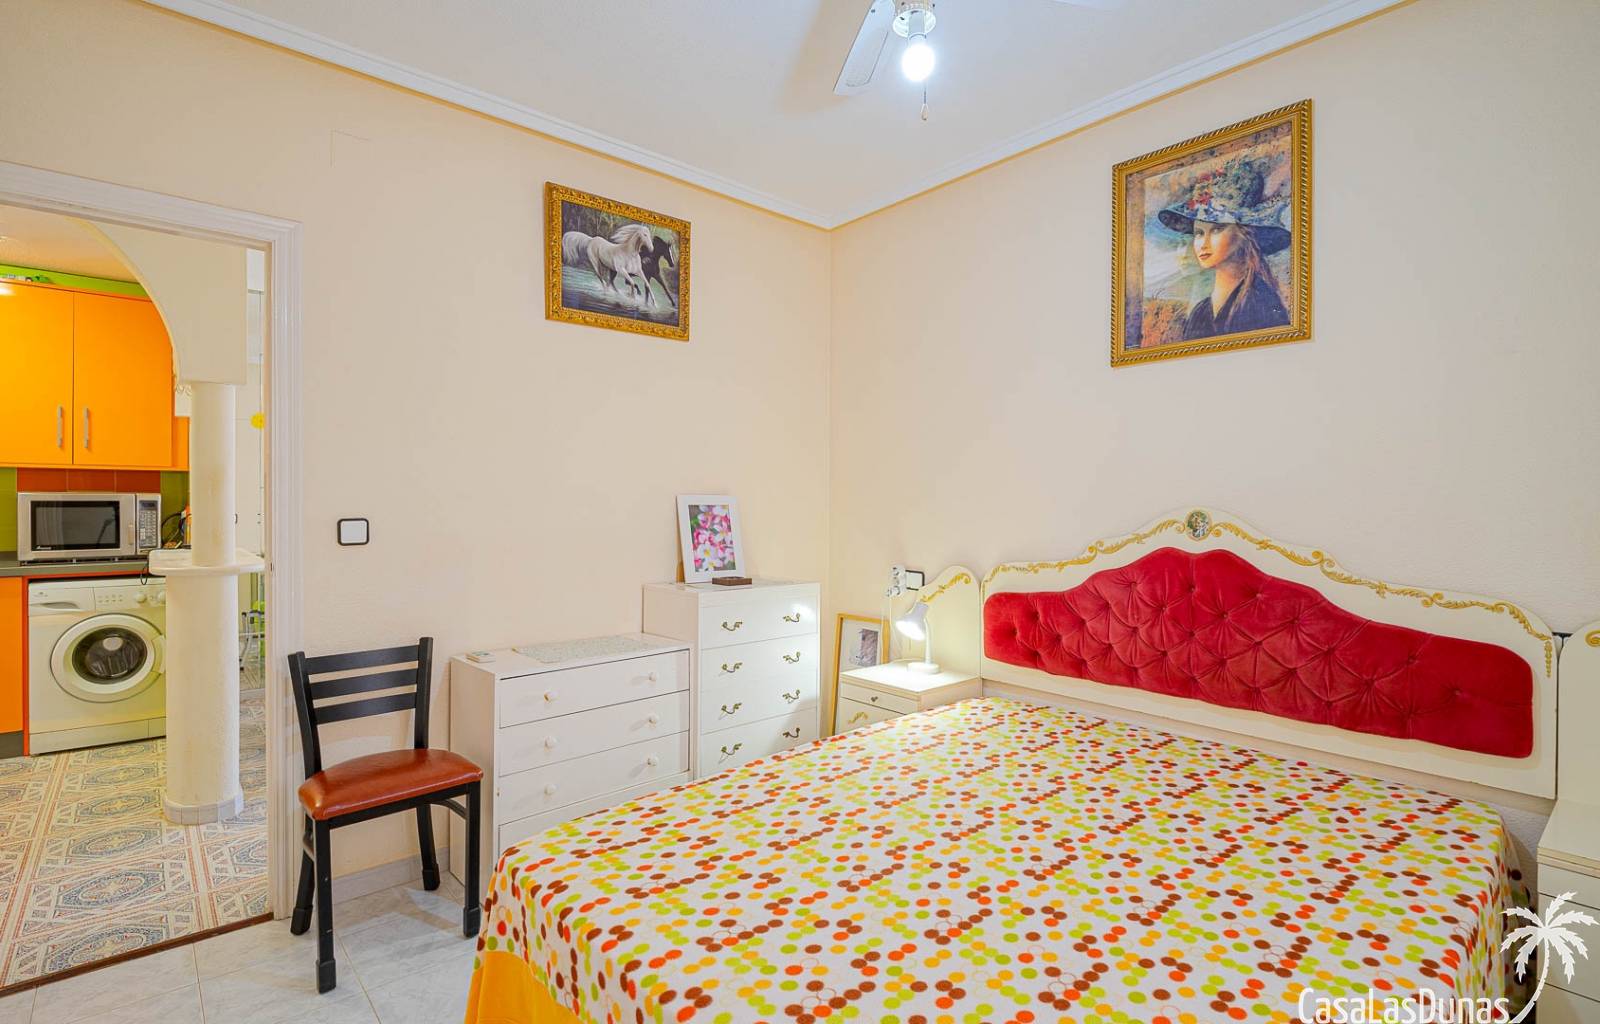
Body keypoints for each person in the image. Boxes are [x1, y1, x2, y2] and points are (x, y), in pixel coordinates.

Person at [1157, 159, 1291, 340]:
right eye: (1198, 233)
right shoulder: (1200, 311)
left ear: (1244, 234)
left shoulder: (1262, 302)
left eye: (1217, 230)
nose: (1203, 244)